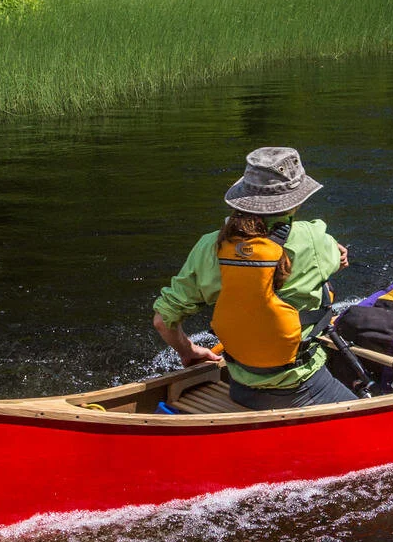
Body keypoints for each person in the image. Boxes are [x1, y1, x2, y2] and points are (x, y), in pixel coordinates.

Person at [152, 147, 357, 409]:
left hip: (241, 387)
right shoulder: (315, 239)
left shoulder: (209, 246)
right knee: (379, 427)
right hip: (302, 388)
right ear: (296, 200)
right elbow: (337, 258)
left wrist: (188, 351)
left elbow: (162, 321)